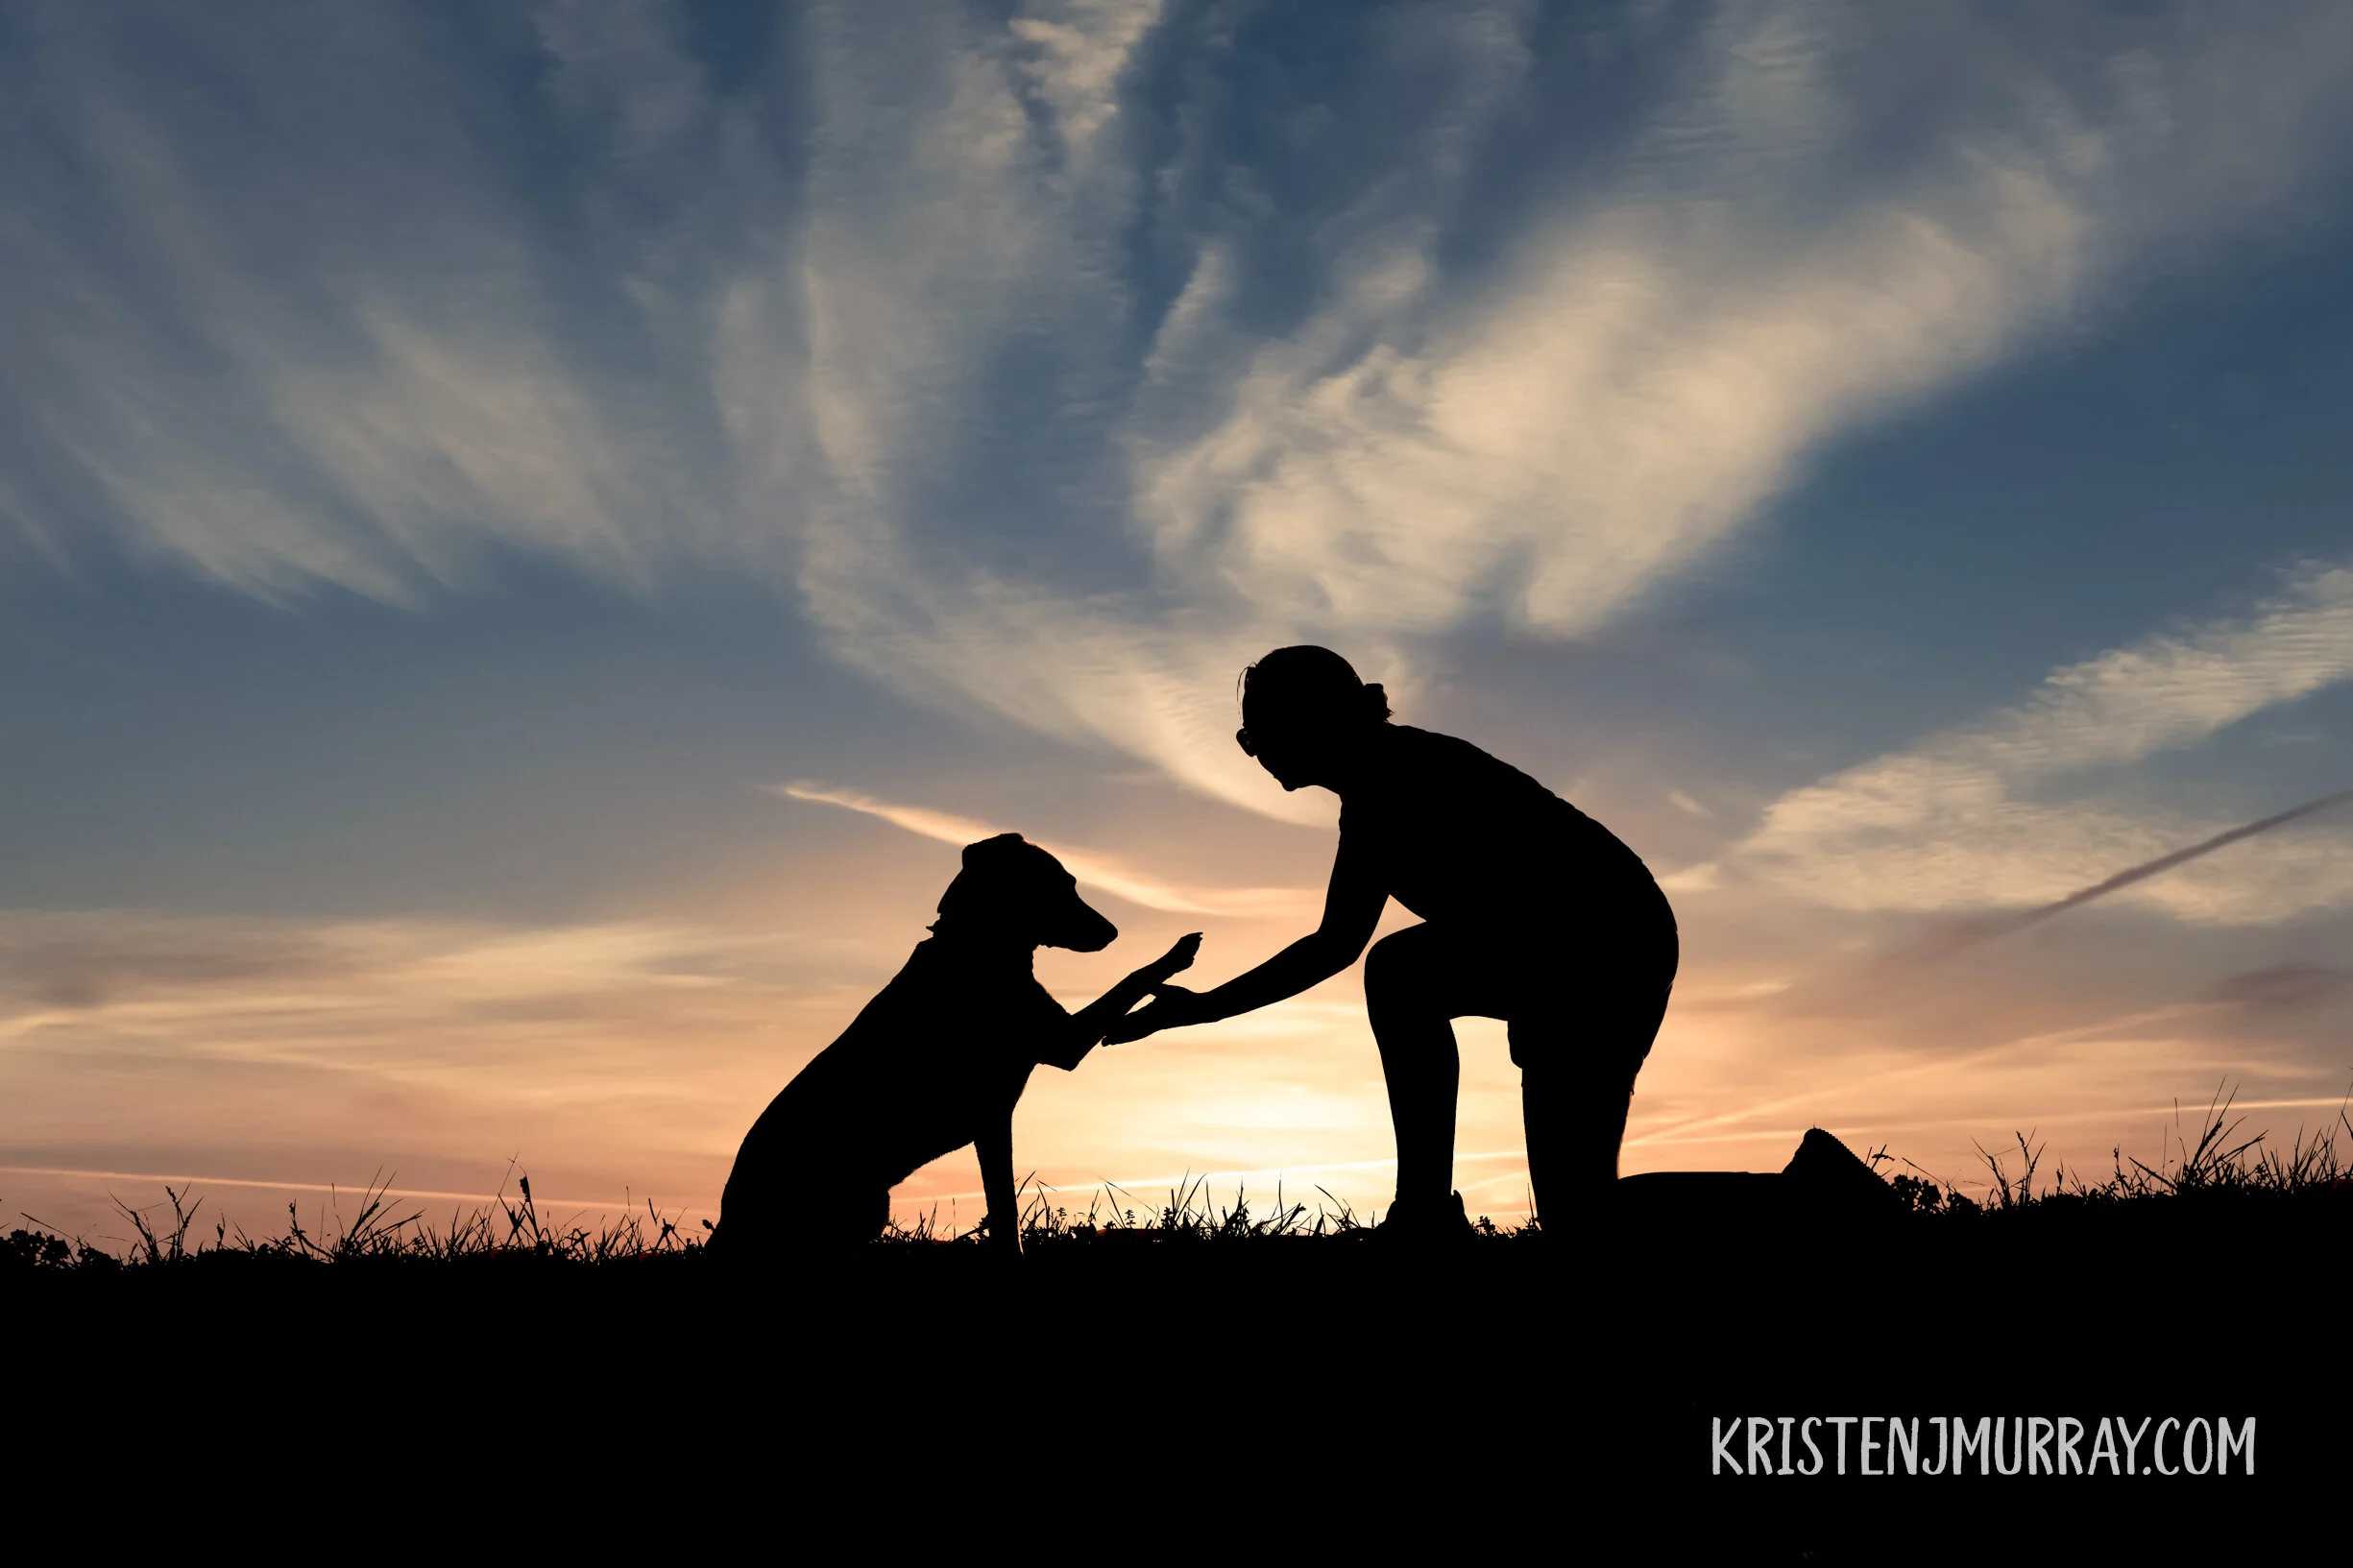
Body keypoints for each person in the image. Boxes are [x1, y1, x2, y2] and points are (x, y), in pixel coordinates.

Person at [1104, 645, 1678, 1237]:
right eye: (1247, 738)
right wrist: (1201, 1010)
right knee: (1577, 1213)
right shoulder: (1379, 782)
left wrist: (1203, 1009)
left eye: (1259, 733)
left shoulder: (1397, 776)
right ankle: (1426, 1211)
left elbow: (1335, 947)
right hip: (1590, 949)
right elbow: (1336, 941)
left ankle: (1423, 1211)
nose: (1257, 751)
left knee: (1400, 972)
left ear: (1311, 720)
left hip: (1604, 948)